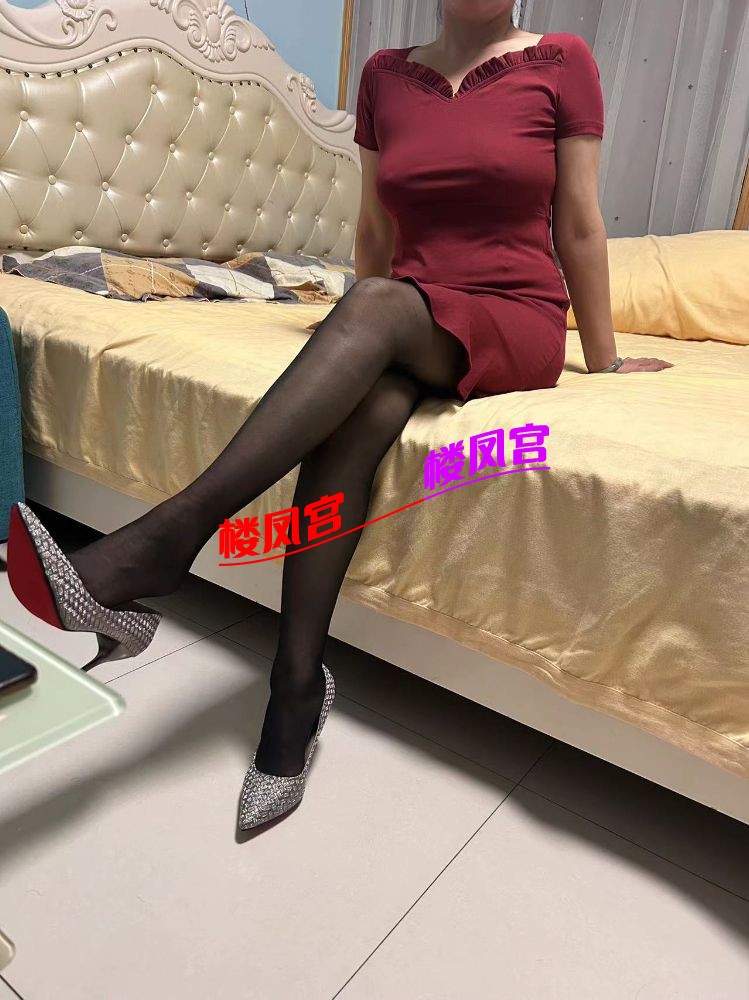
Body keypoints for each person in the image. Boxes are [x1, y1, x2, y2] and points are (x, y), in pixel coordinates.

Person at [6, 0, 672, 834]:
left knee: (374, 305)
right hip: (413, 316)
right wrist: (350, 351)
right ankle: (294, 691)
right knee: (355, 415)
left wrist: (603, 358)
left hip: (513, 316)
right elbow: (372, 227)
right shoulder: (385, 77)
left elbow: (577, 221)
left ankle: (164, 540)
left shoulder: (560, 61)